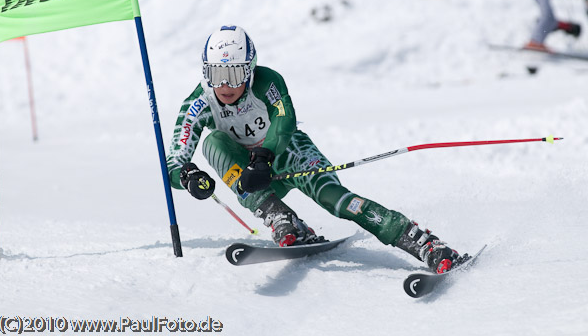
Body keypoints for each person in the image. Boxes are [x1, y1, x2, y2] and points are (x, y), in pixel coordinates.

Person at [166, 25, 469, 274]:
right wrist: (189, 176)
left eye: (234, 74)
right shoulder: (199, 103)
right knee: (212, 143)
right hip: (250, 174)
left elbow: (284, 122)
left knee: (337, 201)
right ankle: (278, 216)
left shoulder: (268, 81)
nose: (225, 85)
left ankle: (424, 244)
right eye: (217, 74)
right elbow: (175, 161)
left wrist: (263, 157)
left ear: (250, 71)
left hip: (288, 155)